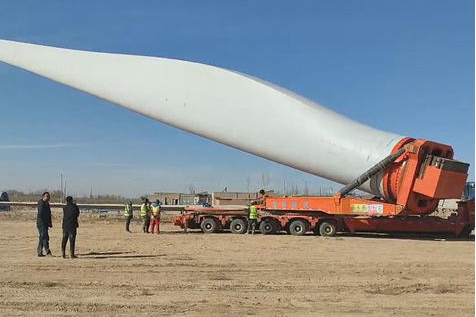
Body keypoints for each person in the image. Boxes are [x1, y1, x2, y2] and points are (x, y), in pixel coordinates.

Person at [37, 192, 52, 257]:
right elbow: (40, 214)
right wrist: (44, 222)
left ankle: (40, 251)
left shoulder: (47, 204)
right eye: (47, 196)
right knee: (44, 237)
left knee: (42, 237)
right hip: (41, 223)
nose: (48, 197)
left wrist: (49, 223)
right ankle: (47, 251)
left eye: (49, 196)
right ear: (43, 197)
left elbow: (49, 214)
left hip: (45, 223)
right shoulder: (41, 203)